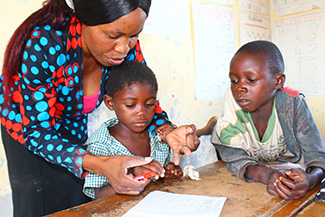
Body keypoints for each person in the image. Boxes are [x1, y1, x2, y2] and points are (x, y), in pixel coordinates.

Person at [0, 0, 199, 216]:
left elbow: (141, 93)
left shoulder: (125, 42)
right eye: (113, 36)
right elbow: (37, 131)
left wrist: (167, 130)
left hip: (71, 121)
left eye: (134, 36)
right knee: (42, 204)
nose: (124, 48)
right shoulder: (45, 42)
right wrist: (101, 164)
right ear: (84, 20)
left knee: (78, 199)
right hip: (30, 130)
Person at [211, 40, 325, 200]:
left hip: (289, 175)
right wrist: (267, 174)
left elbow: (318, 157)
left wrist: (310, 180)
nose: (239, 88)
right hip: (249, 188)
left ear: (278, 82)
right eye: (234, 80)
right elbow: (232, 156)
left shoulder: (292, 105)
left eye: (251, 80)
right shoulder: (232, 103)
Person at [83, 60, 183, 199]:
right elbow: (99, 195)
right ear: (110, 103)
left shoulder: (158, 137)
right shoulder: (100, 145)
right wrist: (134, 175)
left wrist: (168, 171)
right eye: (130, 105)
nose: (141, 112)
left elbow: (158, 181)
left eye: (149, 104)